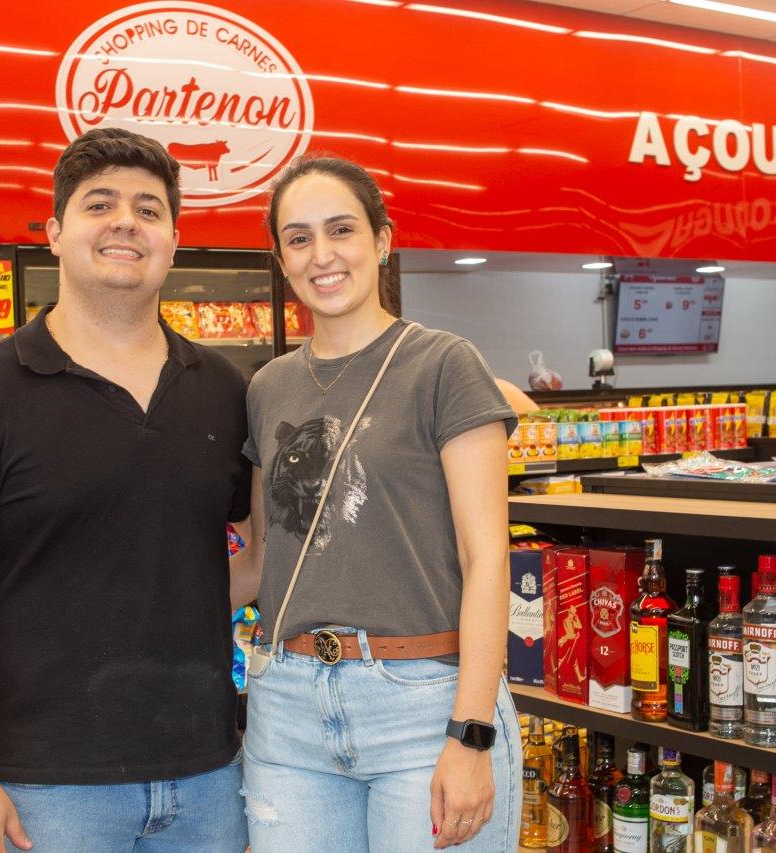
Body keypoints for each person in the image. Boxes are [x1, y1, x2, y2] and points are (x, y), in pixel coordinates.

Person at [0, 128, 251, 852]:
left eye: (149, 209)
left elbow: (253, 560)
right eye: (100, 204)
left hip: (209, 776)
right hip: (41, 788)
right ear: (55, 233)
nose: (126, 221)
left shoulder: (222, 390)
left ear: (173, 242)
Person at [234, 156, 521, 851]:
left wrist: (472, 732)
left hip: (424, 702)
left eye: (341, 230)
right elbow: (264, 556)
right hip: (289, 704)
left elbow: (487, 560)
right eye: (299, 238)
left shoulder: (445, 365)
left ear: (383, 240)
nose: (322, 255)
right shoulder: (267, 387)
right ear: (280, 257)